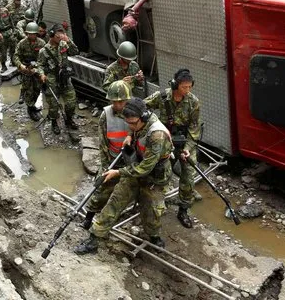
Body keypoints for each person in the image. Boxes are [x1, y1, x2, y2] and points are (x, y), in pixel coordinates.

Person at [74, 98, 173, 254]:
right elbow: (134, 129)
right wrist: (129, 135)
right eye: (128, 123)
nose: (130, 126)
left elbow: (146, 168)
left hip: (153, 176)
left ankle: (154, 236)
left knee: (152, 210)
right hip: (135, 169)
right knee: (114, 202)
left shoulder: (157, 135)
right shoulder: (137, 124)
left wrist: (118, 172)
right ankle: (94, 239)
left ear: (144, 117)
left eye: (133, 123)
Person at [144, 68, 200, 228]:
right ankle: (153, 205)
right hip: (163, 142)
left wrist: (188, 148)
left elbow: (194, 128)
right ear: (175, 85)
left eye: (190, 87)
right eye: (184, 87)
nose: (187, 90)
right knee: (158, 172)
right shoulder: (161, 97)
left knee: (189, 175)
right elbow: (142, 108)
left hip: (184, 142)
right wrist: (152, 127)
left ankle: (183, 210)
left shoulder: (193, 102)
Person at [81, 80, 133, 230]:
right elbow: (103, 143)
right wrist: (106, 166)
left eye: (121, 102)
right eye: (114, 102)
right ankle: (89, 216)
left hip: (130, 159)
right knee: (102, 189)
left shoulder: (135, 113)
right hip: (112, 158)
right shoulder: (106, 115)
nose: (117, 105)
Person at [36, 23, 79, 135]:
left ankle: (69, 119)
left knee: (71, 101)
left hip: (64, 76)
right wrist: (42, 74)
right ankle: (54, 121)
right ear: (51, 35)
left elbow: (75, 52)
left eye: (61, 35)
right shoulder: (44, 51)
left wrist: (68, 40)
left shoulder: (64, 44)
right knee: (53, 105)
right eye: (57, 36)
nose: (60, 38)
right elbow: (39, 65)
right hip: (52, 78)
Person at [13, 22, 45, 121]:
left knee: (37, 89)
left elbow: (44, 58)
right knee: (29, 90)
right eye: (30, 34)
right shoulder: (22, 43)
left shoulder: (41, 43)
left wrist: (38, 68)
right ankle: (30, 109)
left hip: (37, 69)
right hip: (26, 69)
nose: (32, 36)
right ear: (27, 33)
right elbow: (16, 56)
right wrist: (20, 65)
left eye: (34, 34)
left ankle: (33, 105)